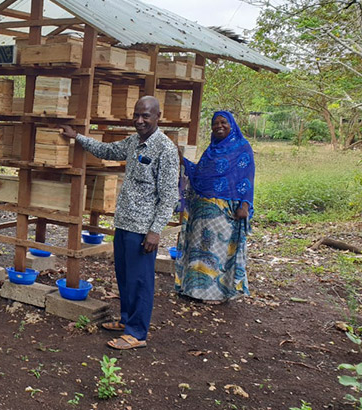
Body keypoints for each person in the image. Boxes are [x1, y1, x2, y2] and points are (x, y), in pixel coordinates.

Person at [60, 96, 179, 350]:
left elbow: (169, 195)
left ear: (158, 117)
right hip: (124, 223)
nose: (139, 121)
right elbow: (108, 151)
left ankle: (137, 333)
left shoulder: (166, 150)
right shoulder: (134, 142)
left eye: (145, 116)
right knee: (124, 276)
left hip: (143, 229)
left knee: (140, 280)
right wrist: (77, 137)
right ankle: (127, 321)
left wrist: (155, 231)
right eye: (136, 115)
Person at [175, 111, 254, 304]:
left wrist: (245, 204)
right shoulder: (211, 150)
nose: (219, 126)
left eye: (223, 122)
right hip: (201, 211)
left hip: (225, 212)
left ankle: (217, 294)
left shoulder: (242, 148)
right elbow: (199, 175)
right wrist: (182, 160)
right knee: (199, 250)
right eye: (215, 123)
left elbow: (248, 178)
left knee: (218, 251)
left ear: (232, 125)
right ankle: (194, 289)